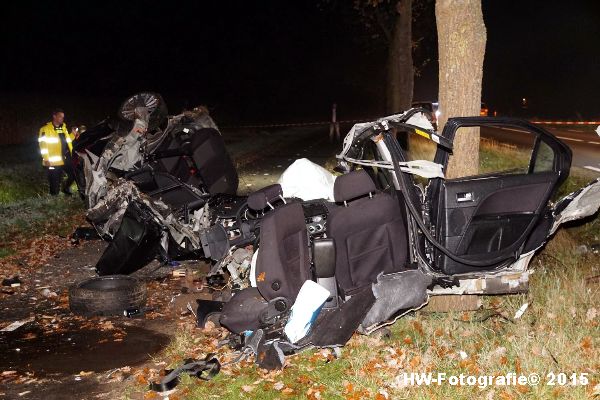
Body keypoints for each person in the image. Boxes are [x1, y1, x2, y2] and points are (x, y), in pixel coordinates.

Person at [38, 109, 76, 196]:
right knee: (55, 180)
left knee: (74, 174)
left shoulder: (63, 128)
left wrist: (73, 135)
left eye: (63, 117)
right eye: (60, 116)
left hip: (65, 158)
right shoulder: (45, 129)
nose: (62, 119)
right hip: (53, 161)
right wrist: (46, 159)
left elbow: (67, 141)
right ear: (54, 116)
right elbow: (43, 145)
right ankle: (54, 198)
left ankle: (65, 188)